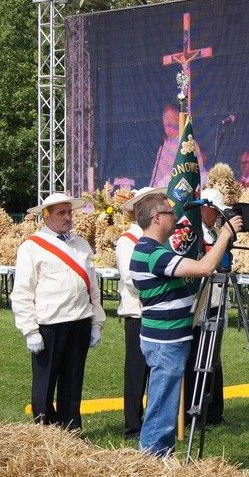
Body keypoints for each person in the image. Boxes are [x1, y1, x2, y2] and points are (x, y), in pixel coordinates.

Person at [131, 192, 243, 456]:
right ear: (157, 218)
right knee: (162, 402)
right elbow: (204, 269)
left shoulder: (152, 250)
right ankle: (152, 457)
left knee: (165, 400)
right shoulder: (153, 254)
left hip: (167, 338)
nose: (176, 217)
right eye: (170, 213)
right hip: (165, 341)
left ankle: (159, 453)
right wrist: (225, 234)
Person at [10, 192, 106, 431]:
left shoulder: (81, 244)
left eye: (69, 212)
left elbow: (93, 287)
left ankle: (70, 431)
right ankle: (44, 432)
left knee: (73, 383)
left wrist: (96, 322)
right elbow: (22, 292)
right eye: (61, 213)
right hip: (49, 324)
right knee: (44, 385)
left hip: (80, 321)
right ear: (47, 216)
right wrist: (30, 330)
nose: (67, 217)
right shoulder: (31, 247)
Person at [116, 186, 166, 440]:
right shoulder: (128, 240)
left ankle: (154, 420)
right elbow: (131, 279)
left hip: (158, 313)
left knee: (159, 370)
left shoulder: (160, 239)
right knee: (137, 373)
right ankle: (133, 425)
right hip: (138, 314)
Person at [182, 188, 232, 427]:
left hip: (216, 301)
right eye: (215, 211)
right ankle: (196, 411)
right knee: (198, 359)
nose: (217, 216)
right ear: (204, 208)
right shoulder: (193, 234)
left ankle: (214, 412)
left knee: (214, 360)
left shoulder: (214, 232)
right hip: (201, 302)